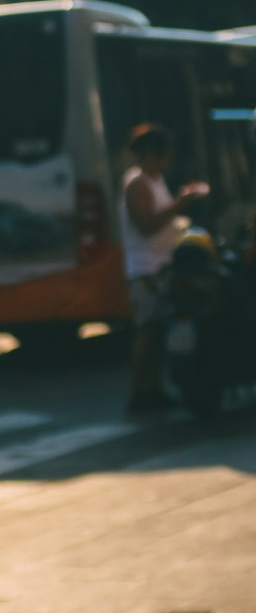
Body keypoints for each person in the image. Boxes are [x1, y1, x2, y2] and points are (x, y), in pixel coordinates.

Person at [119, 123, 209, 414]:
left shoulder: (154, 180)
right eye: (166, 154)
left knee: (159, 331)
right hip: (146, 269)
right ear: (153, 155)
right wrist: (178, 206)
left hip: (163, 264)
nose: (170, 159)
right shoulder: (137, 183)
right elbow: (145, 225)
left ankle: (154, 389)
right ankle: (139, 392)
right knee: (148, 329)